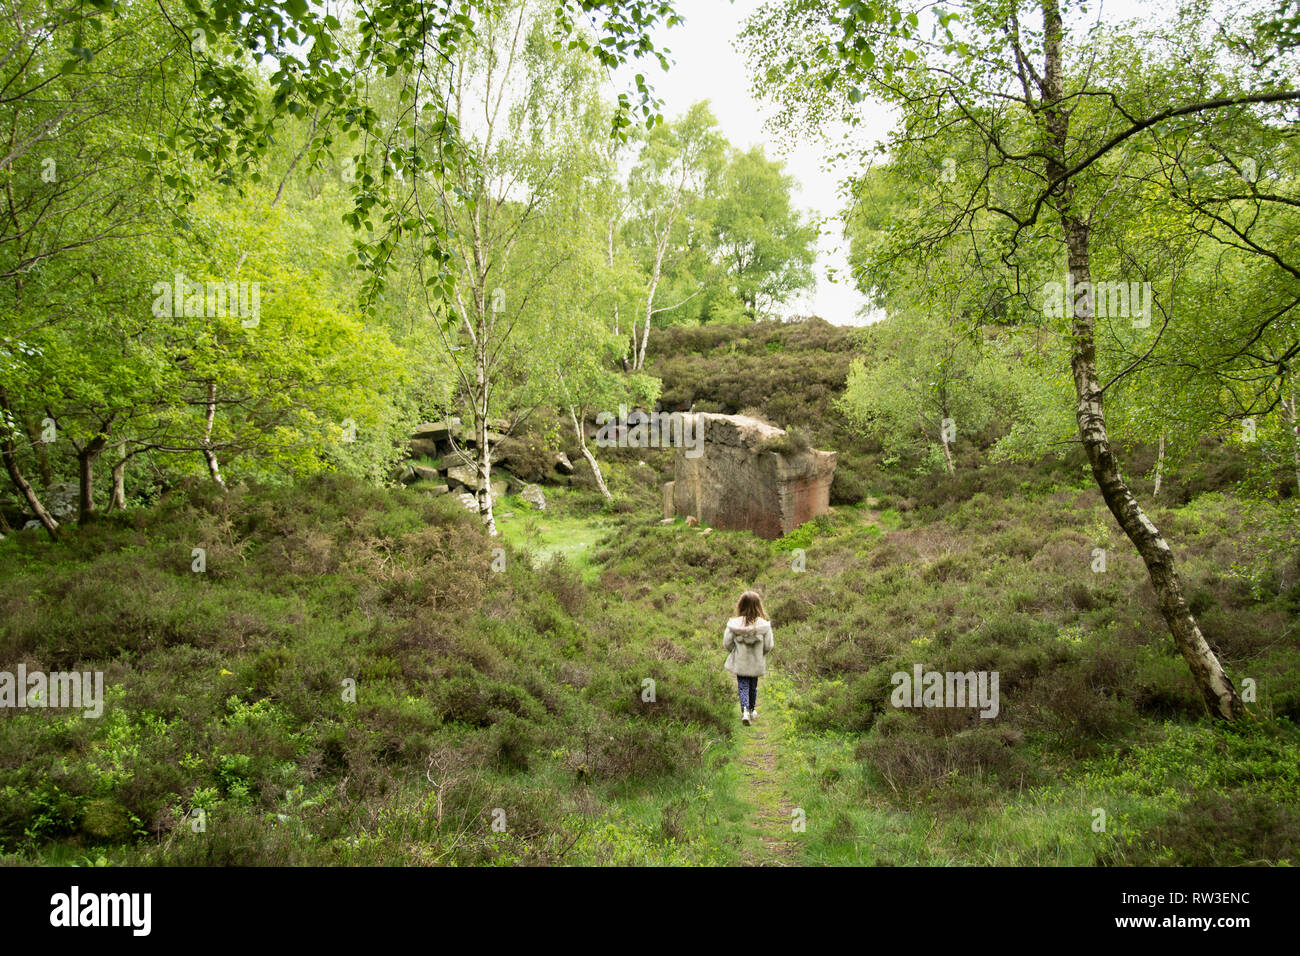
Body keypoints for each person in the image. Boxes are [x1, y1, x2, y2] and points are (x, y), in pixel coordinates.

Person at [723, 590, 774, 726]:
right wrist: (760, 653)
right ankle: (751, 710)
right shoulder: (764, 625)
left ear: (741, 605)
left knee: (743, 685)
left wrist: (734, 651)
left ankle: (745, 710)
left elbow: (727, 643)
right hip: (756, 662)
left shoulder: (734, 624)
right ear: (759, 606)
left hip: (741, 662)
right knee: (753, 686)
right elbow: (769, 645)